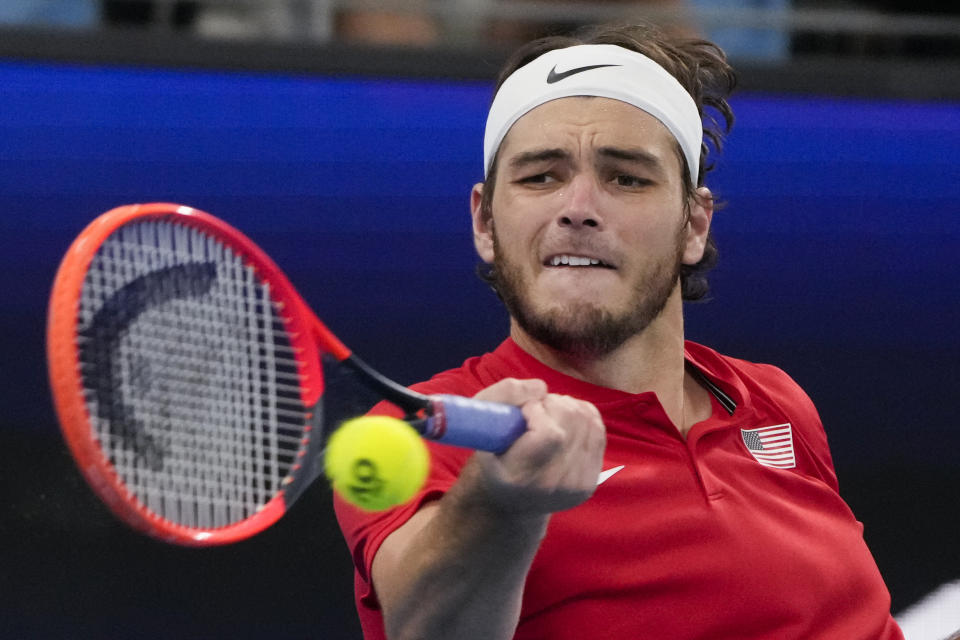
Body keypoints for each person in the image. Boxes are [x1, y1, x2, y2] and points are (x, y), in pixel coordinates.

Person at [334, 22, 904, 640]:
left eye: (626, 178)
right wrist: (501, 504)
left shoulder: (774, 401)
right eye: (540, 176)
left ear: (694, 225)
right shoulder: (416, 433)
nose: (577, 206)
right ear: (484, 221)